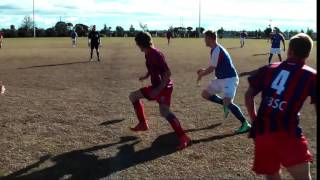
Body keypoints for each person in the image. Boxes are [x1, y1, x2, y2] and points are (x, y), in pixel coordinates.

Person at [244, 33, 316, 180]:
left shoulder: (269, 68)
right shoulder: (311, 75)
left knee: (272, 176)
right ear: (308, 53)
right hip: (288, 133)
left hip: (263, 132)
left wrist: (254, 119)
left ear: (289, 51)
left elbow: (248, 95)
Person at [129, 32, 191, 150]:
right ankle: (142, 124)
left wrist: (158, 89)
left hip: (164, 87)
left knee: (165, 112)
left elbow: (167, 73)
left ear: (141, 44)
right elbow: (151, 67)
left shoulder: (156, 54)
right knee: (133, 96)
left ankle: (184, 138)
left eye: (137, 44)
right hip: (157, 86)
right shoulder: (148, 54)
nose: (137, 46)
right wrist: (146, 76)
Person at [197, 30, 251, 133]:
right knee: (205, 94)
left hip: (230, 79)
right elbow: (214, 67)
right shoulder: (214, 50)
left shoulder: (217, 50)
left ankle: (245, 124)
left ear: (210, 39)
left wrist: (202, 74)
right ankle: (225, 104)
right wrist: (203, 71)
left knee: (228, 102)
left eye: (205, 38)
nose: (204, 40)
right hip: (221, 79)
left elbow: (212, 68)